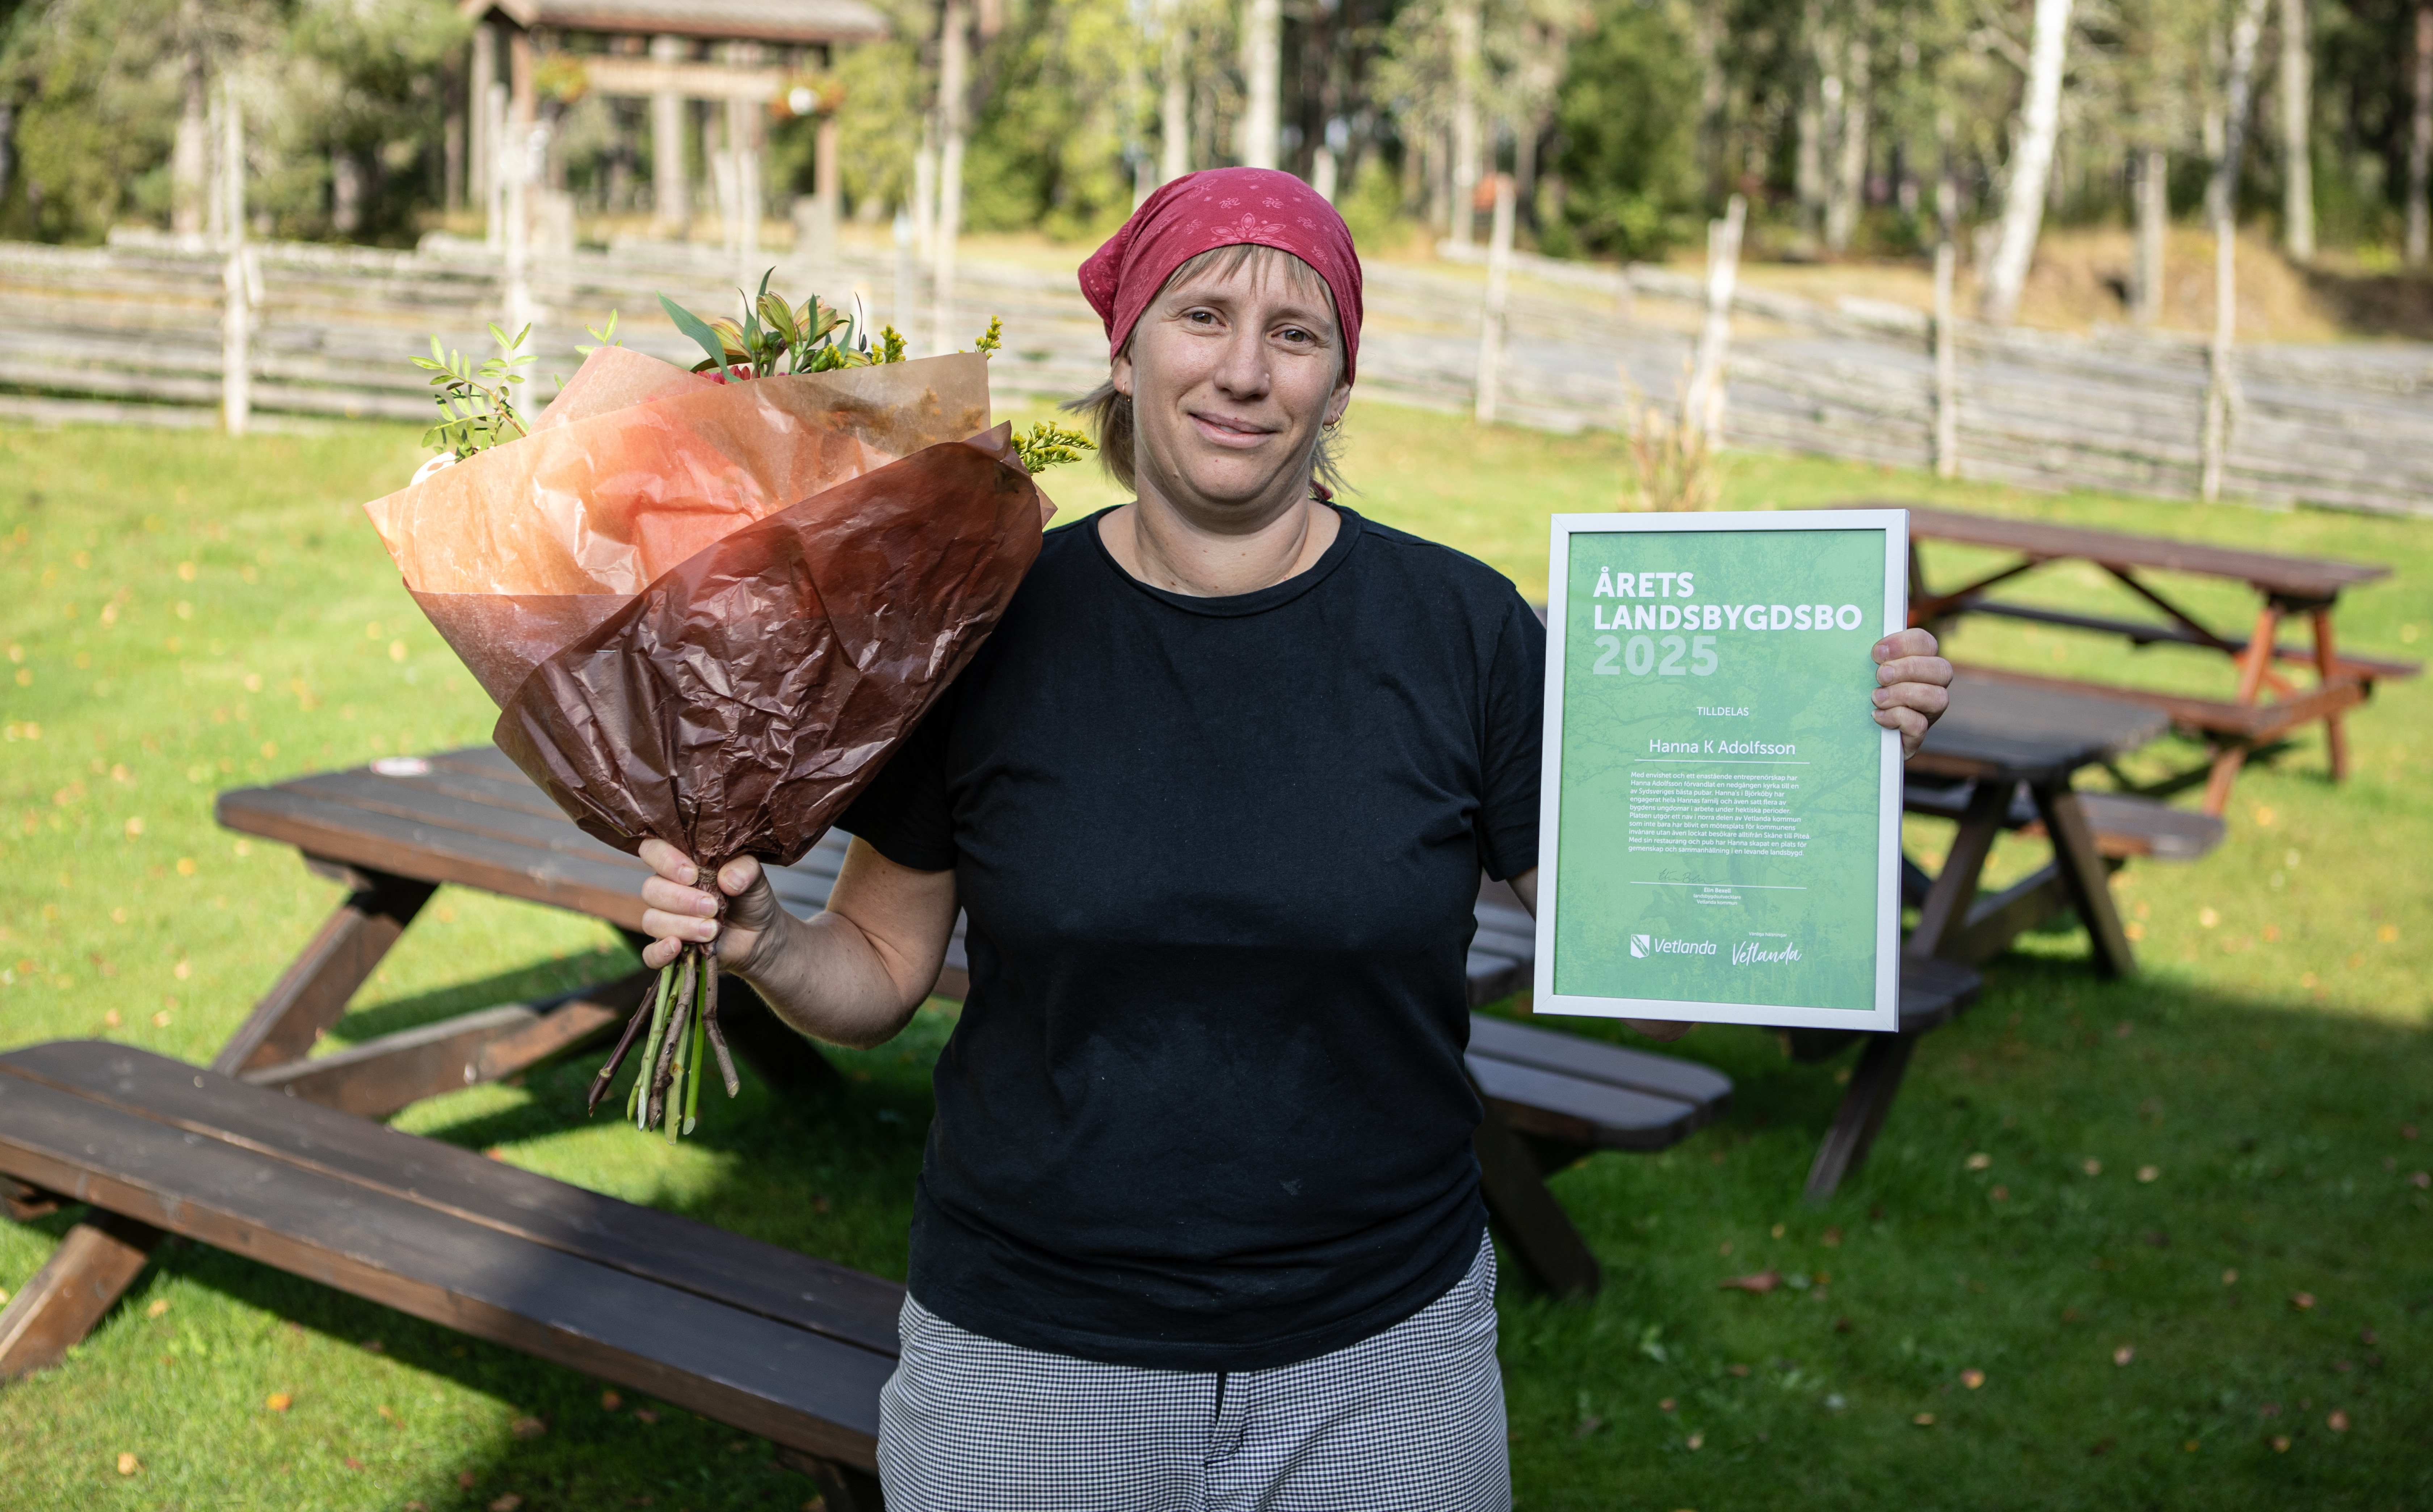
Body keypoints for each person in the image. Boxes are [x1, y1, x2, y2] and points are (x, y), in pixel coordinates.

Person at [636, 168, 1953, 1510]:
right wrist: (762, 940)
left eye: (1297, 334)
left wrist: (1817, 766)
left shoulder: (1461, 631)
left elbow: (1641, 936)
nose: (1245, 372)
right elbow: (875, 966)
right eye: (1203, 316)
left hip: (1384, 1357)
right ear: (1127, 343)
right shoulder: (990, 624)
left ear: (1340, 386)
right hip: (1031, 1352)